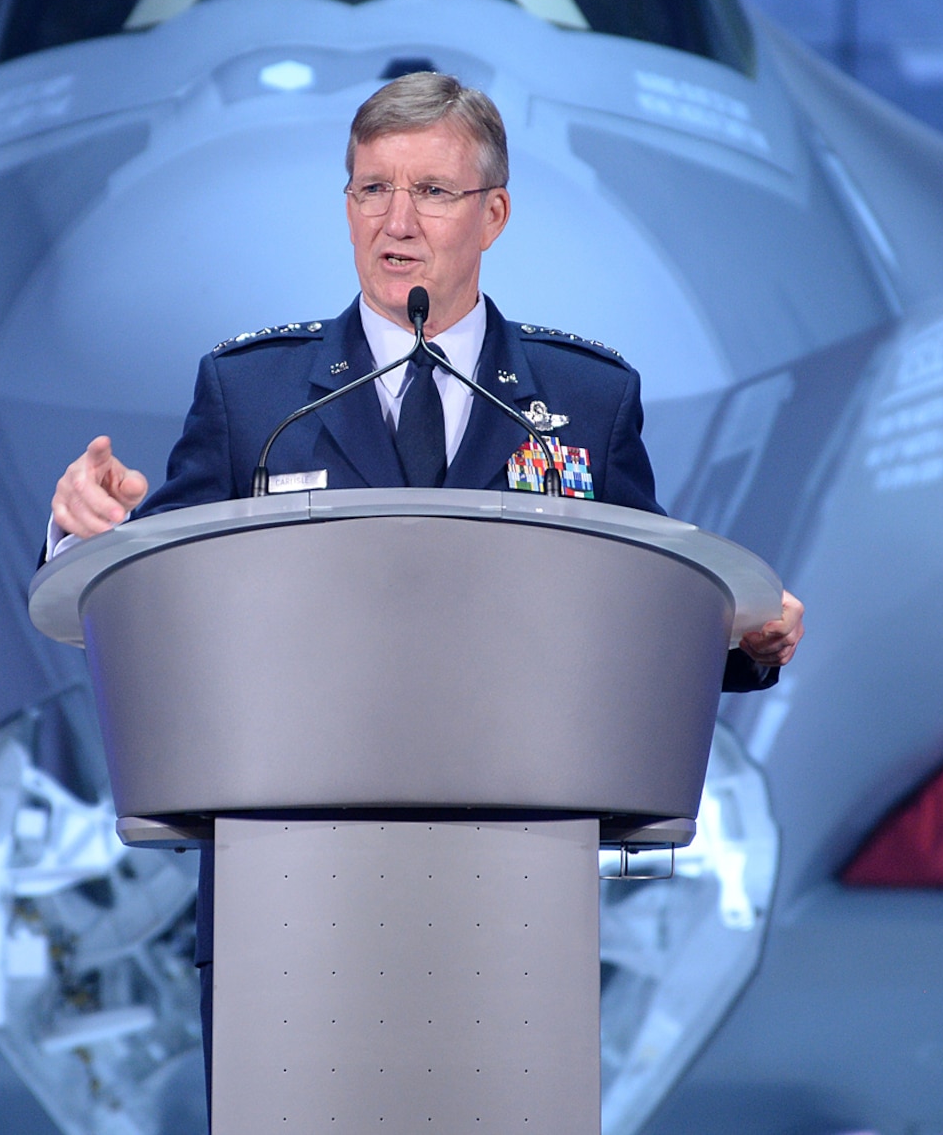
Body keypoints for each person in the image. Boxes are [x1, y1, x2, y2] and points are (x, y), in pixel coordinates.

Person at [45, 70, 804, 1098]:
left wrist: (739, 642)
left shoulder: (584, 399)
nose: (395, 222)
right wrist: (81, 531)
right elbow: (162, 603)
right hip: (287, 914)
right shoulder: (251, 393)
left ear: (492, 213)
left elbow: (638, 615)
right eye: (370, 189)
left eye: (432, 193)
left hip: (513, 914)